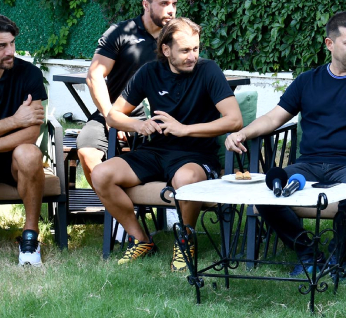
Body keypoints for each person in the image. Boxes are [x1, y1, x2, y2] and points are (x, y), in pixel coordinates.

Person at [225, 11, 346, 279]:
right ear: (329, 44)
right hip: (309, 165)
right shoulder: (307, 81)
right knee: (265, 191)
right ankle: (308, 253)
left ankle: (336, 257)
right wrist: (242, 133)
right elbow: (274, 118)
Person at [91, 17, 242, 269]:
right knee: (101, 174)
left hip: (196, 155)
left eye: (196, 49)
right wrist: (138, 125)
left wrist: (184, 129)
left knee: (185, 179)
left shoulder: (208, 70)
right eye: (185, 50)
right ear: (166, 49)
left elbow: (234, 119)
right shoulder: (149, 72)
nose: (192, 56)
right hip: (155, 151)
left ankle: (185, 241)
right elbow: (113, 116)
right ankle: (141, 240)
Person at [77, 0, 178, 188]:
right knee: (87, 153)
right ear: (146, 4)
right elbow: (94, 75)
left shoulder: (178, 37)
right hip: (114, 110)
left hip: (159, 116)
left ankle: (155, 199)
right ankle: (113, 204)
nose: (171, 10)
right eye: (164, 3)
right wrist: (111, 116)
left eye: (174, 4)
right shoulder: (121, 32)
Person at [0, 13, 48, 266]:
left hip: (15, 161)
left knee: (30, 153)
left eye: (12, 43)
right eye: (2, 46)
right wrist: (15, 121)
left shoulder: (30, 74)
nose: (11, 51)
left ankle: (30, 237)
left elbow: (31, 134)